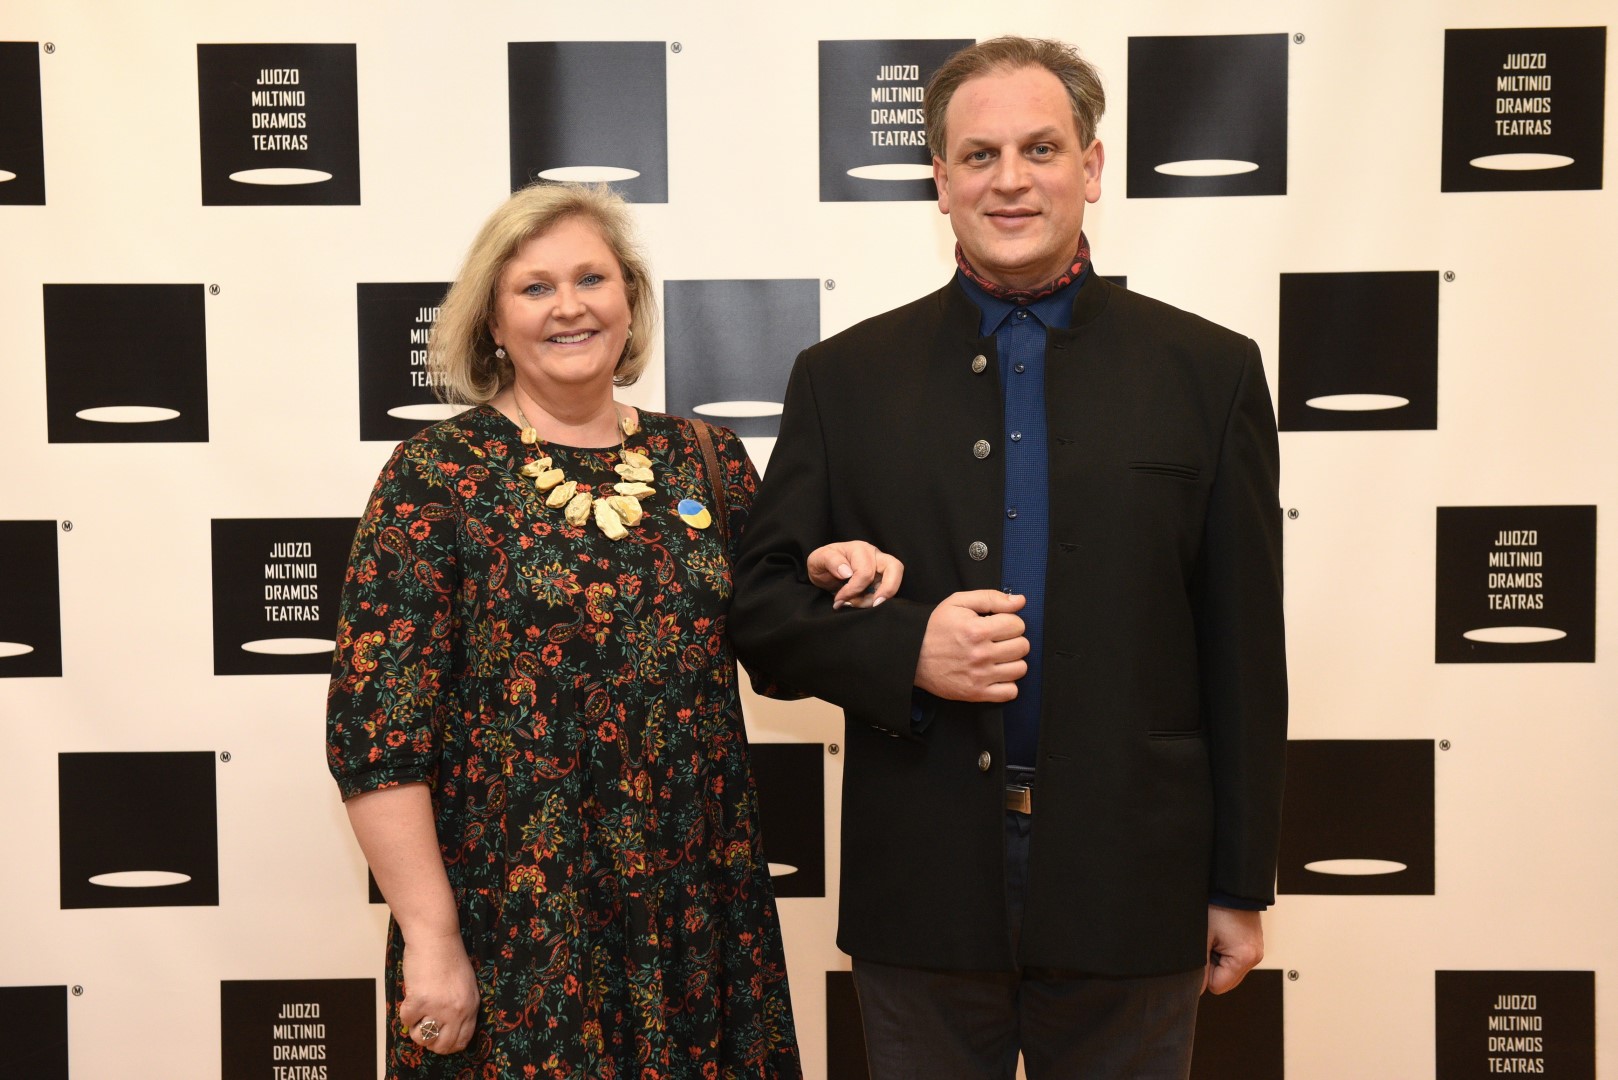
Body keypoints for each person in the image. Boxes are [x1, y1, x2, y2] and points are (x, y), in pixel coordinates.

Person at [730, 36, 1288, 1079]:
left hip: (1137, 883)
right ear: (940, 182)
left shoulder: (1209, 372)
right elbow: (761, 616)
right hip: (922, 889)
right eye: (979, 155)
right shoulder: (841, 378)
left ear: (1092, 165)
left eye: (1041, 148)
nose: (1011, 179)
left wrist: (1238, 883)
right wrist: (907, 650)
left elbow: (1246, 653)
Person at [326, 182, 858, 1078]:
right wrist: (432, 937)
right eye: (535, 287)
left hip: (696, 914)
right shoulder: (435, 476)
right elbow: (378, 739)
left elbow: (777, 640)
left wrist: (831, 570)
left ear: (630, 302)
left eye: (591, 279)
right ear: (494, 323)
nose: (568, 306)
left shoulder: (708, 459)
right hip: (517, 921)